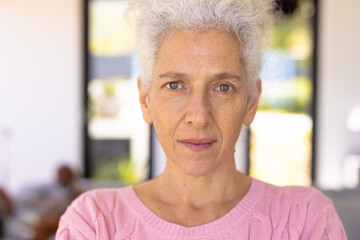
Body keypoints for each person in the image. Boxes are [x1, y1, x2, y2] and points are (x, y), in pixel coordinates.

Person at [56, 0, 347, 239]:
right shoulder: (94, 223)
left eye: (223, 88)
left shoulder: (307, 221)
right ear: (145, 99)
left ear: (251, 102)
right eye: (175, 85)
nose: (198, 116)